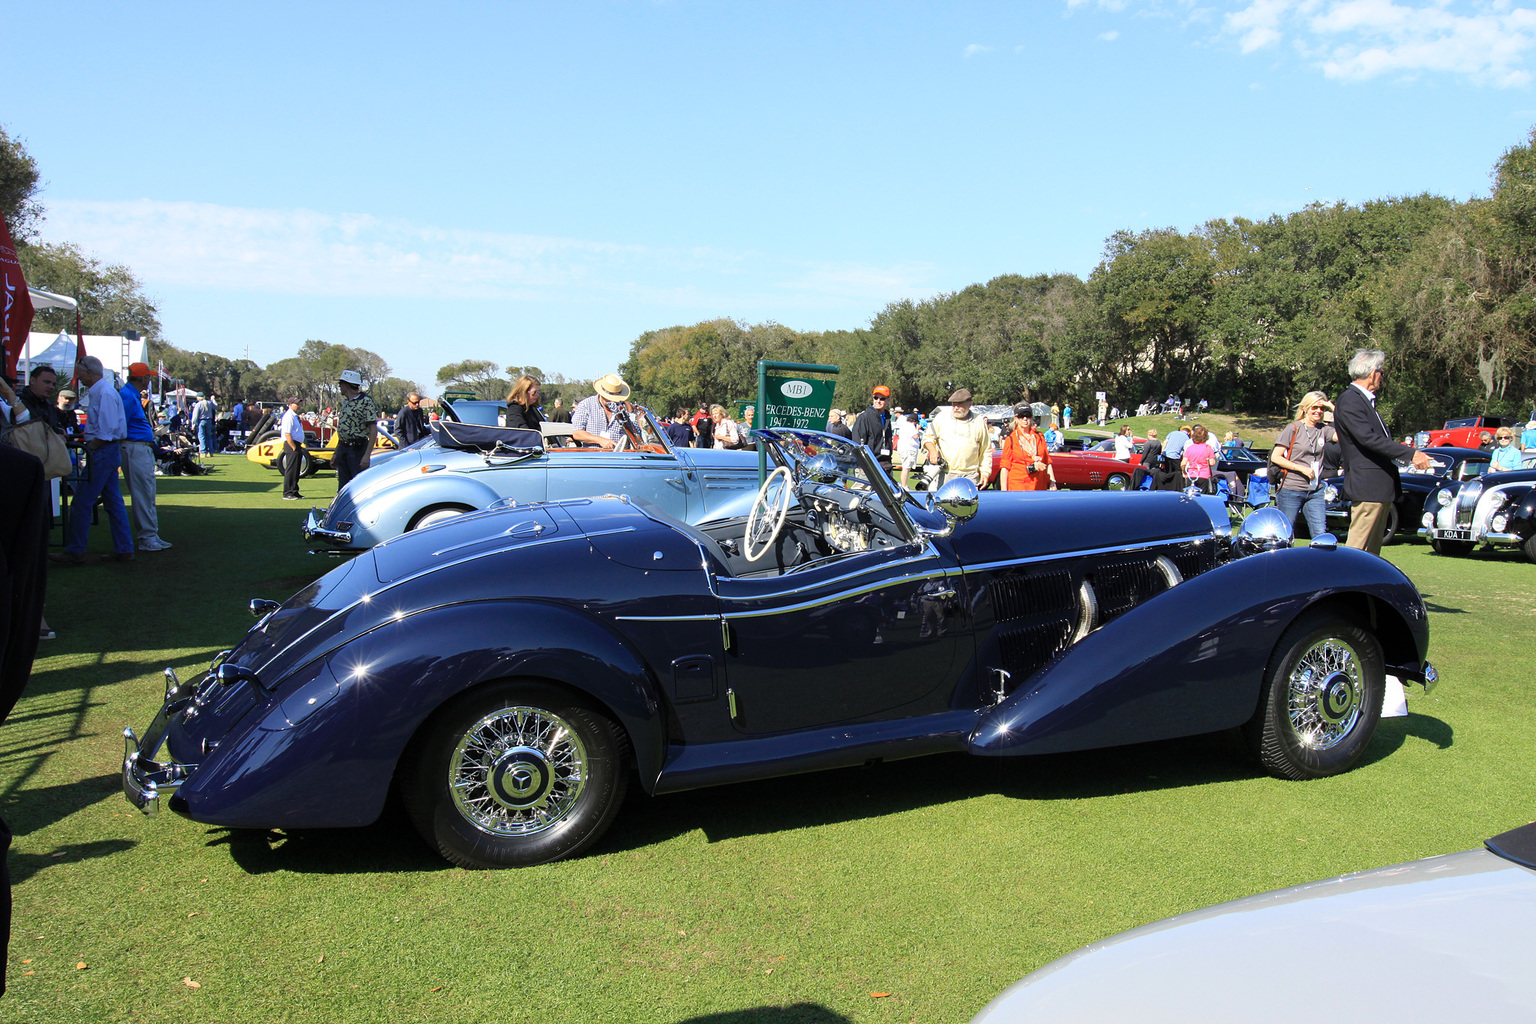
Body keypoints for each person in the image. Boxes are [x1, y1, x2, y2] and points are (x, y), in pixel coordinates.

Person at [1334, 349, 1433, 555]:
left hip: (1378, 487)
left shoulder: (1364, 401)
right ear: (1372, 373)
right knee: (1357, 551)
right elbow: (1368, 438)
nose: (1382, 377)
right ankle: (1346, 585)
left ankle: (1365, 586)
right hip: (1367, 486)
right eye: (1382, 372)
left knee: (1371, 554)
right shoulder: (1351, 399)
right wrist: (1411, 454)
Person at [51, 356, 133, 565]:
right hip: (107, 450)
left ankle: (76, 550)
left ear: (88, 373)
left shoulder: (103, 393)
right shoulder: (104, 391)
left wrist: (90, 447)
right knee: (113, 503)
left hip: (103, 451)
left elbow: (105, 431)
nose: (78, 378)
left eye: (80, 373)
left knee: (81, 502)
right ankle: (124, 548)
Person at [1269, 392, 1338, 539]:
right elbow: (1276, 456)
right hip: (1291, 489)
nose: (1318, 411)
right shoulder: (1294, 428)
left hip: (1315, 491)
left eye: (1322, 408)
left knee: (1321, 535)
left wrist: (1333, 409)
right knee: (1285, 535)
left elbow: (1344, 434)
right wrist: (1300, 468)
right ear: (1305, 408)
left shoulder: (1324, 430)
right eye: (1315, 407)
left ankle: (1318, 561)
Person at [118, 363, 172, 552]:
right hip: (134, 448)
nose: (149, 380)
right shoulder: (127, 396)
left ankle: (151, 534)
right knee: (143, 493)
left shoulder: (130, 395)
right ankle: (147, 537)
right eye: (148, 377)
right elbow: (119, 424)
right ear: (141, 379)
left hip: (140, 447)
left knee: (147, 493)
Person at [922, 388, 992, 486]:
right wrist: (933, 451)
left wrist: (985, 472)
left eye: (960, 404)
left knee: (969, 501)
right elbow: (927, 438)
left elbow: (986, 449)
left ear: (970, 404)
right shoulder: (941, 418)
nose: (956, 408)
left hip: (970, 475)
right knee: (943, 501)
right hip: (945, 473)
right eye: (954, 404)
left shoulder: (979, 421)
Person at [333, 370, 381, 490]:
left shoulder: (366, 402)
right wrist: (336, 453)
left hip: (357, 449)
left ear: (347, 384)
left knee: (358, 487)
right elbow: (343, 431)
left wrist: (366, 455)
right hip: (343, 448)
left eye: (341, 384)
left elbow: (373, 429)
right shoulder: (345, 403)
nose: (340, 387)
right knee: (343, 488)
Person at [999, 405, 1056, 491]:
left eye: (1028, 415)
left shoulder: (1039, 437)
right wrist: (1004, 492)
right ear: (1016, 418)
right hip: (1018, 487)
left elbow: (1047, 461)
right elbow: (1005, 467)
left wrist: (1053, 481)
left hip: (1039, 487)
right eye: (1021, 416)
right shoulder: (1011, 439)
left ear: (1031, 417)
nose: (1025, 418)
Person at [571, 373, 635, 449]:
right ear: (602, 394)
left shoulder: (626, 408)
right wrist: (600, 440)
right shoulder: (586, 405)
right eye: (610, 398)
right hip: (594, 457)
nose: (613, 402)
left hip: (620, 457)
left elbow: (636, 435)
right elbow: (577, 433)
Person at [851, 385, 893, 468]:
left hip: (885, 466)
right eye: (876, 398)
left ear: (888, 400)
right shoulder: (864, 417)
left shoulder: (887, 418)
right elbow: (857, 444)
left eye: (882, 398)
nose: (878, 401)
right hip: (868, 467)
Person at [279, 398, 306, 500]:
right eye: (296, 404)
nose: (299, 406)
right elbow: (287, 433)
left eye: (299, 403)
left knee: (296, 469)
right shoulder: (289, 416)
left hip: (297, 444)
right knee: (291, 469)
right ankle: (288, 492)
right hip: (291, 444)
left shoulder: (295, 416)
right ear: (290, 405)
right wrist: (293, 446)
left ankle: (294, 490)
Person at [1181, 425, 1217, 495]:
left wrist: (1184, 472)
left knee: (1190, 495)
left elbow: (1183, 463)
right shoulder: (1208, 448)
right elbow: (1212, 463)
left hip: (1191, 474)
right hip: (1203, 475)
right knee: (1202, 496)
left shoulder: (1190, 448)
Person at [894, 413, 922, 489]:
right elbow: (915, 436)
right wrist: (918, 429)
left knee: (906, 467)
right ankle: (904, 485)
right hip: (908, 449)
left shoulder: (904, 425)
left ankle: (904, 484)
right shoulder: (910, 426)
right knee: (906, 467)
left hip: (903, 448)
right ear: (915, 421)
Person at [1160, 423, 1190, 490]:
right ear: (1188, 432)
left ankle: (1166, 485)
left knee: (1167, 470)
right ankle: (1177, 486)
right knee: (1177, 472)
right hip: (1175, 456)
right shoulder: (1187, 438)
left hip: (1166, 454)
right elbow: (1185, 449)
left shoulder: (1172, 432)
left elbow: (1165, 442)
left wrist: (1162, 451)